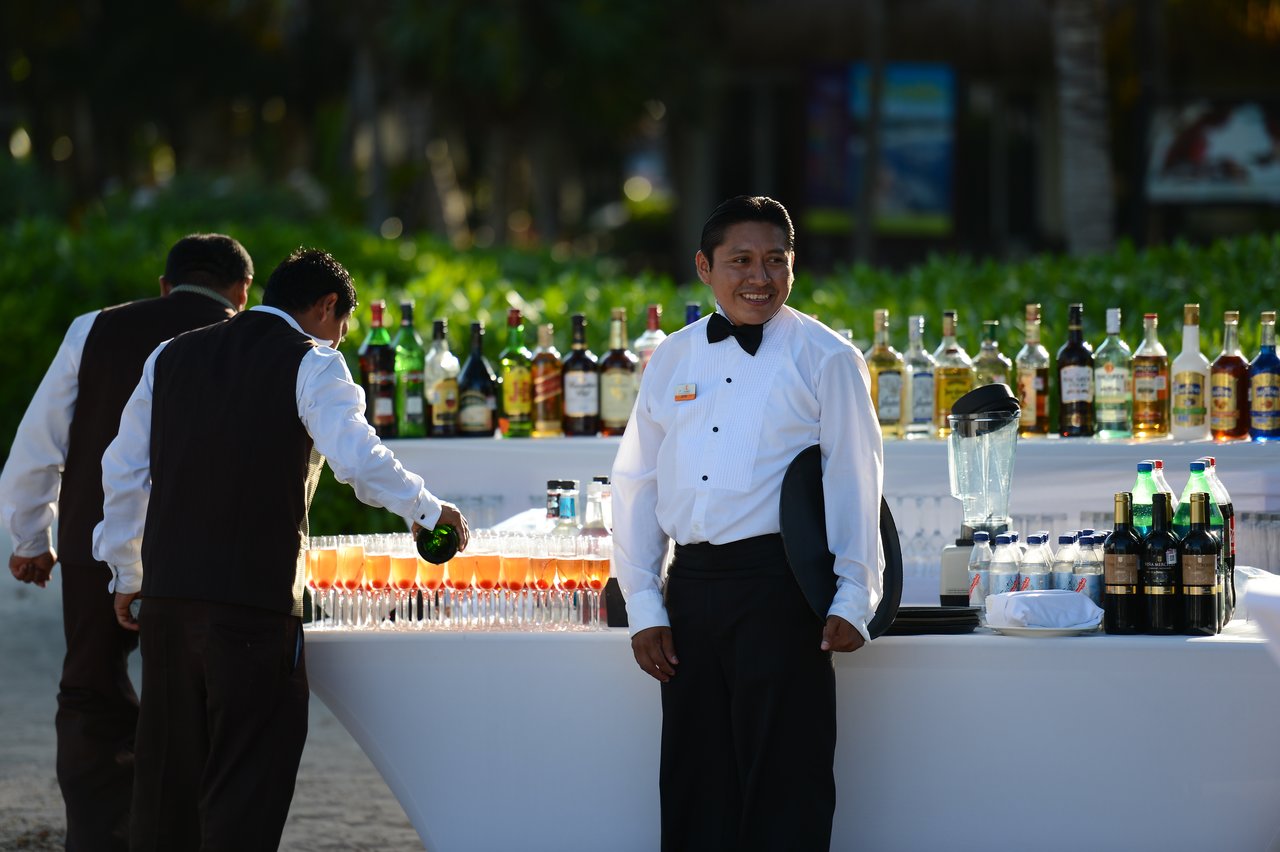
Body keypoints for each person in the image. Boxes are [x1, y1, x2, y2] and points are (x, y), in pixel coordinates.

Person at [92, 247, 470, 851]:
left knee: (165, 786)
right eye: (343, 326)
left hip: (166, 604)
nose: (341, 339)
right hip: (253, 606)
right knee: (247, 783)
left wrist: (127, 572)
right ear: (326, 307)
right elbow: (357, 458)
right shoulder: (313, 362)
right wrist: (428, 511)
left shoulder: (170, 355)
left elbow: (123, 471)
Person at [611, 195, 883, 851]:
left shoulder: (827, 357)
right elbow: (636, 480)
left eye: (775, 261)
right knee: (694, 785)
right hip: (692, 590)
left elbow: (856, 476)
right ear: (705, 267)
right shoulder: (672, 358)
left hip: (781, 588)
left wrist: (854, 594)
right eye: (741, 261)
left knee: (787, 787)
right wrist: (645, 602)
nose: (759, 277)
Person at [0, 233, 253, 851]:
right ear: (243, 294)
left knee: (90, 688)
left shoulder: (95, 330)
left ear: (165, 285)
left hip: (94, 542)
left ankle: (98, 837)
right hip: (205, 555)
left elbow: (37, 447)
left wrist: (31, 538)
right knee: (197, 697)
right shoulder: (254, 343)